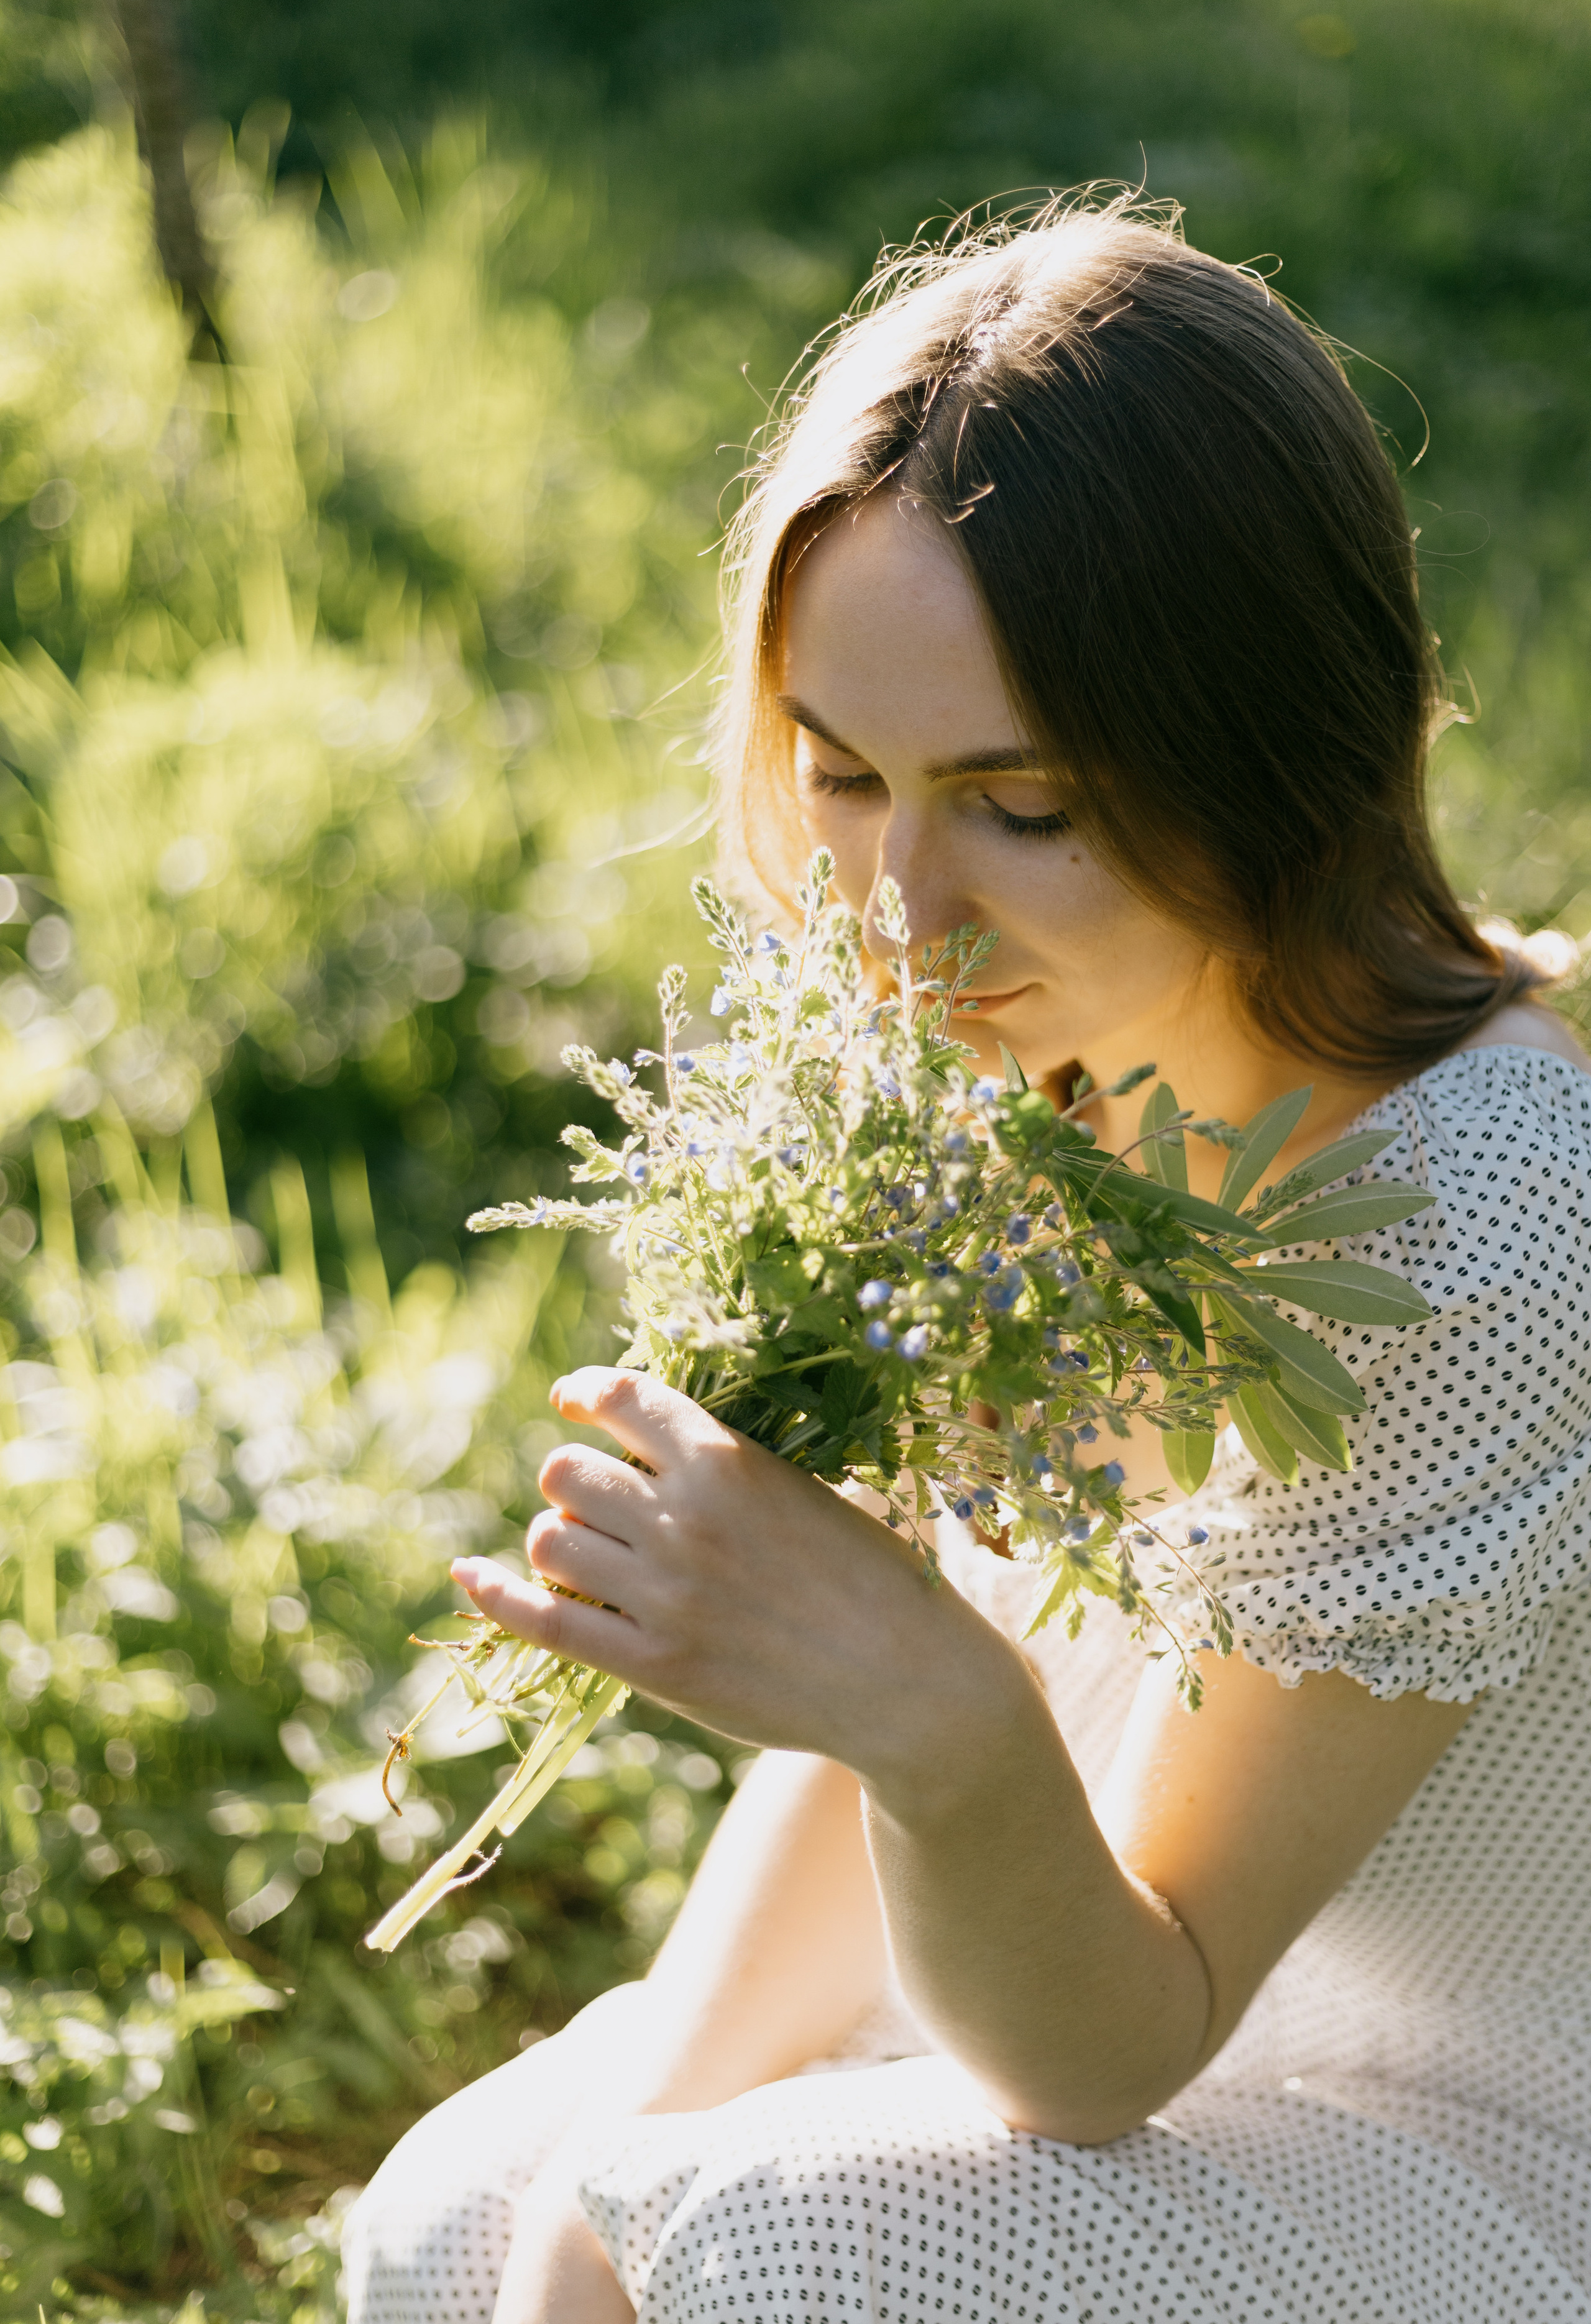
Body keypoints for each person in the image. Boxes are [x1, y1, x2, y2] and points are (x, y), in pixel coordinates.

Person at [344, 198, 1591, 2323]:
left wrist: (940, 1715)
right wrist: (600, 2205)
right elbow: (869, 1767)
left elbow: (1118, 2035)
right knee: (460, 2231)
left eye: (1023, 806)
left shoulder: (1475, 1224)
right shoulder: (1026, 1070)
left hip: (1468, 2129)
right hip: (1078, 1990)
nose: (902, 918)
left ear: (1274, 759)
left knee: (759, 2251)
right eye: (846, 776)